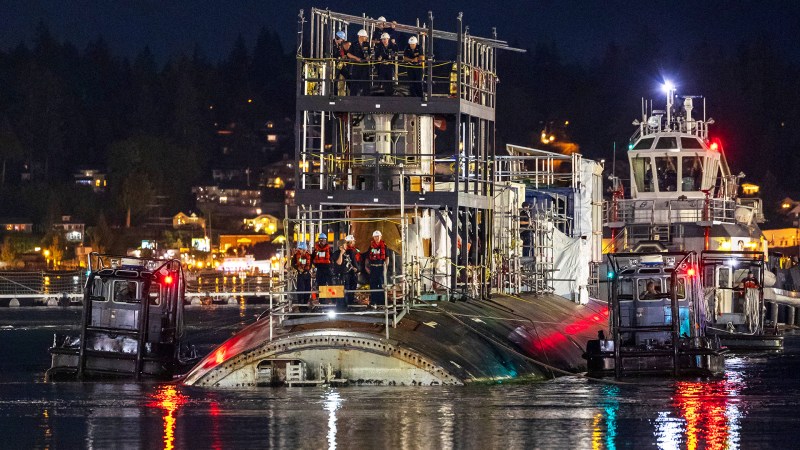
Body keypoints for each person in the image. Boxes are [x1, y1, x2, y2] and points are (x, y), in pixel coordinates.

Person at [335, 235, 361, 309]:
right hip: (345, 274)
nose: (354, 243)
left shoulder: (350, 251)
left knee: (347, 290)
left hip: (347, 274)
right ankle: (344, 305)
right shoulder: (340, 253)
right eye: (352, 241)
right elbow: (339, 263)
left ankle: (346, 305)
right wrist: (358, 270)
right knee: (346, 290)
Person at [366, 230, 387, 306]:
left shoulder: (384, 246)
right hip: (373, 268)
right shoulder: (371, 246)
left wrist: (385, 268)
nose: (376, 238)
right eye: (375, 236)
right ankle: (373, 301)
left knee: (381, 284)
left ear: (380, 237)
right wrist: (366, 267)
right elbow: (368, 257)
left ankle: (381, 301)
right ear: (373, 237)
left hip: (381, 268)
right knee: (373, 284)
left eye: (378, 236)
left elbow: (387, 257)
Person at [346, 29, 370, 96]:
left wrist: (368, 57)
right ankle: (353, 96)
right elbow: (348, 54)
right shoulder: (354, 44)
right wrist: (356, 58)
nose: (365, 38)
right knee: (355, 82)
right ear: (360, 36)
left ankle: (366, 96)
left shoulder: (367, 44)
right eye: (364, 36)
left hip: (365, 65)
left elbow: (369, 54)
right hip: (357, 66)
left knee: (365, 82)